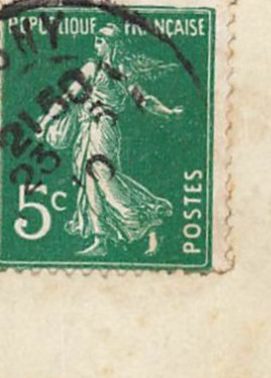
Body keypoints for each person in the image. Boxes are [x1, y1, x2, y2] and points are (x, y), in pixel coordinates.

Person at [38, 22, 182, 258]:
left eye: (102, 40)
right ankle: (100, 239)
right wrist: (44, 122)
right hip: (87, 129)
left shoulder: (123, 73)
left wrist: (168, 112)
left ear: (113, 44)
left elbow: (144, 100)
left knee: (104, 177)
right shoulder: (90, 68)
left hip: (105, 128)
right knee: (91, 182)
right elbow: (67, 98)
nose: (97, 44)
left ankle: (147, 221)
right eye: (96, 40)